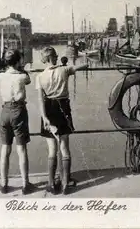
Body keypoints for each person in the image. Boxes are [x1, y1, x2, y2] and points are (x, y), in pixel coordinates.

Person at [36, 47, 88, 195]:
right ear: (56, 57)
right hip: (63, 107)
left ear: (44, 60)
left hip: (48, 110)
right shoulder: (64, 70)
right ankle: (65, 183)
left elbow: (40, 100)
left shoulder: (40, 76)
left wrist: (44, 118)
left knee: (52, 150)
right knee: (64, 147)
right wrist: (68, 65)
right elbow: (84, 65)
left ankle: (51, 184)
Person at [0, 49, 35, 195]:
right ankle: (25, 185)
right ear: (18, 61)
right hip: (19, 111)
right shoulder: (22, 76)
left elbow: (5, 75)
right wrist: (22, 69)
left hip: (5, 110)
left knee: (5, 149)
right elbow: (29, 80)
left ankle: (4, 184)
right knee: (21, 149)